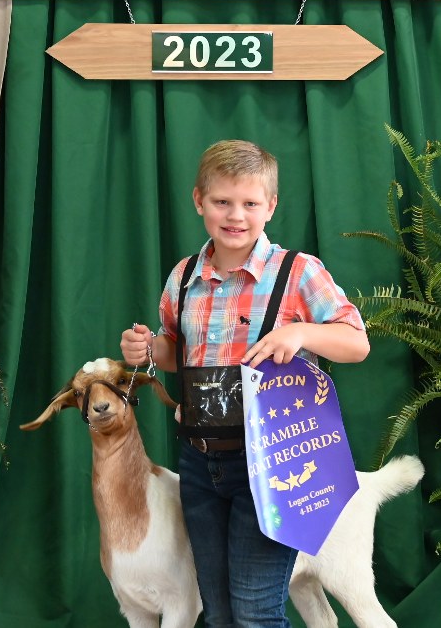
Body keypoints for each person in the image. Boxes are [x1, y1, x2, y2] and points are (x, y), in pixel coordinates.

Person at [120, 139, 369, 627]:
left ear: (270, 206)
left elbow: (356, 342)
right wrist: (147, 349)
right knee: (217, 610)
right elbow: (176, 351)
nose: (236, 215)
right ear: (199, 201)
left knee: (255, 609)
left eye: (250, 204)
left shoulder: (298, 272)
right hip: (198, 462)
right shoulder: (183, 276)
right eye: (222, 202)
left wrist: (300, 332)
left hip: (272, 464)